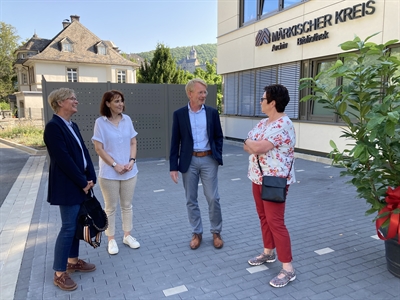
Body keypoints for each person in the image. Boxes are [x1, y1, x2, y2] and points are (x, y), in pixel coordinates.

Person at [243, 84, 296, 288]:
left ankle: (288, 269)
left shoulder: (283, 125)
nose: (260, 101)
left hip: (274, 182)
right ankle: (268, 252)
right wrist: (252, 144)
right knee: (263, 217)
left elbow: (254, 146)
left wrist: (251, 143)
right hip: (257, 178)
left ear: (272, 103)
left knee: (276, 222)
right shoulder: (264, 123)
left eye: (263, 98)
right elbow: (248, 147)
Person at [44, 88, 97, 291]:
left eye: (75, 98)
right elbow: (64, 160)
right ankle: (59, 272)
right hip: (68, 186)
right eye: (71, 99)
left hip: (81, 183)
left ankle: (73, 262)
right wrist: (82, 182)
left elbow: (84, 152)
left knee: (76, 225)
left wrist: (90, 177)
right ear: (59, 103)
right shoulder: (53, 127)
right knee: (68, 227)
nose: (76, 101)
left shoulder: (72, 125)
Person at [169, 78, 224, 250]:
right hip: (189, 161)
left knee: (213, 198)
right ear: (190, 93)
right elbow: (174, 141)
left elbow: (218, 136)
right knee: (191, 199)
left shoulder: (212, 113)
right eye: (200, 92)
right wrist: (173, 166)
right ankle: (197, 233)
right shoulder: (179, 114)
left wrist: (217, 154)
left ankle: (216, 232)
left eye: (205, 92)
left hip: (208, 159)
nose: (204, 95)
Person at [92, 90, 140, 255]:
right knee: (110, 207)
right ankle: (111, 239)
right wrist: (114, 165)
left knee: (127, 206)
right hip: (109, 173)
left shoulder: (127, 120)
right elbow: (99, 148)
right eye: (116, 101)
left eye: (121, 100)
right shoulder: (100, 122)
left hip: (129, 172)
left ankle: (127, 236)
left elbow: (133, 142)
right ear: (107, 104)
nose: (120, 104)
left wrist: (132, 161)